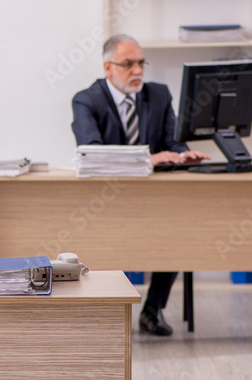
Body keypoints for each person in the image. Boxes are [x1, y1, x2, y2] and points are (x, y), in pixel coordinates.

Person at [70, 33, 209, 336]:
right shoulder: (86, 99)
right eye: (128, 64)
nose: (138, 71)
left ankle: (152, 310)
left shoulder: (158, 95)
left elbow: (172, 142)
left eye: (141, 63)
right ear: (108, 67)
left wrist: (185, 154)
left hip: (151, 199)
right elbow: (92, 152)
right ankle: (101, 312)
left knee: (176, 232)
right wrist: (149, 159)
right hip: (103, 201)